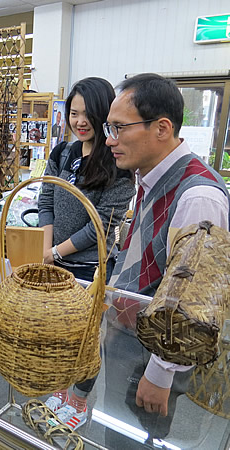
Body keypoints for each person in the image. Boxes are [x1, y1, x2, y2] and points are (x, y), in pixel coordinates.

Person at [104, 73, 229, 444]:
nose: (110, 140)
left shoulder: (197, 196)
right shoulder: (149, 178)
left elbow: (195, 303)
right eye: (109, 127)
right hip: (126, 336)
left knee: (135, 438)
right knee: (116, 434)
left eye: (120, 128)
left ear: (162, 128)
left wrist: (161, 374)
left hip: (152, 352)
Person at [38, 77, 136, 430]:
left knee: (85, 338)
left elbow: (102, 227)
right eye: (73, 113)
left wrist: (56, 252)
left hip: (90, 269)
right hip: (55, 260)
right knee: (60, 333)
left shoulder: (117, 163)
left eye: (87, 114)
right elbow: (45, 198)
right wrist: (46, 248)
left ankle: (79, 400)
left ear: (103, 114)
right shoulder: (62, 153)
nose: (80, 122)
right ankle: (62, 388)